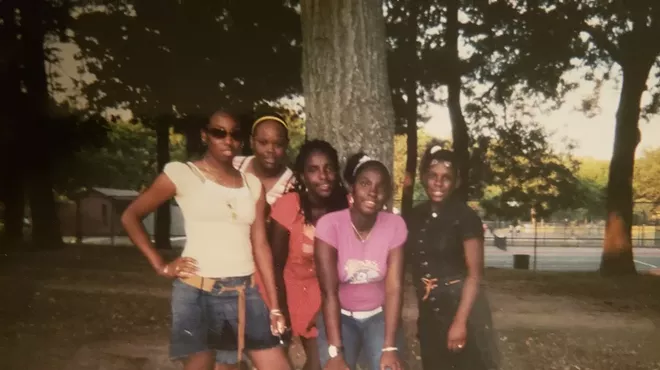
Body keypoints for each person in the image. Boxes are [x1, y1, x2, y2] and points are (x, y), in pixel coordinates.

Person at [121, 111, 291, 370]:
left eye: (234, 134)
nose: (227, 140)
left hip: (246, 292)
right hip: (198, 292)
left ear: (242, 141)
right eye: (219, 132)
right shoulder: (182, 174)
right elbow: (130, 216)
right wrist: (161, 265)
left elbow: (261, 245)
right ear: (205, 135)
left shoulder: (252, 185)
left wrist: (276, 307)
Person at [405, 144, 499, 370]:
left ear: (456, 182)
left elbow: (475, 276)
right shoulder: (414, 216)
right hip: (430, 315)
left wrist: (459, 323)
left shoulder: (466, 218)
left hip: (464, 312)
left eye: (446, 178)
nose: (438, 182)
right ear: (424, 177)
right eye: (433, 176)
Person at [216, 112, 295, 370]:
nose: (271, 150)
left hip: (265, 275)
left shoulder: (293, 184)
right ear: (251, 142)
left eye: (278, 143)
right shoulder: (232, 165)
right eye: (263, 142)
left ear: (286, 145)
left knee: (270, 347)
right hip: (224, 272)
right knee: (226, 356)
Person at [314, 152, 407, 370]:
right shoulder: (330, 225)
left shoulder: (395, 225)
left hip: (378, 315)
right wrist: (335, 352)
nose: (373, 191)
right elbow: (328, 292)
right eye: (365, 183)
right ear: (352, 190)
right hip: (341, 316)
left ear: (386, 196)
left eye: (380, 186)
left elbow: (394, 288)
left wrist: (389, 347)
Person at [270, 140, 350, 370]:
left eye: (329, 168)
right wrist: (281, 309)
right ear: (303, 176)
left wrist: (324, 307)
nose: (323, 176)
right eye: (313, 170)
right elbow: (276, 264)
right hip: (285, 287)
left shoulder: (345, 209)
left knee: (318, 363)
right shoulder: (289, 205)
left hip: (321, 292)